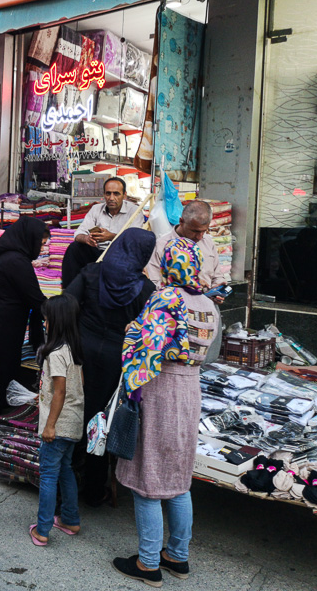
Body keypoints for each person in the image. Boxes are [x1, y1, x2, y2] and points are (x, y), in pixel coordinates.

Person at [113, 238, 220, 587]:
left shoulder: (166, 298)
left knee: (148, 478)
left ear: (170, 264)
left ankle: (148, 563)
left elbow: (146, 348)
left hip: (161, 389)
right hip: (190, 389)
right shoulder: (208, 303)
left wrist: (131, 332)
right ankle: (177, 556)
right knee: (178, 478)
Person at [64, 228, 157, 506]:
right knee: (101, 420)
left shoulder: (92, 273)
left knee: (72, 410)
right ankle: (94, 489)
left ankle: (63, 481)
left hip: (80, 353)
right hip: (115, 362)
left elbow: (66, 304)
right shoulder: (146, 289)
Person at [0, 217, 48, 466]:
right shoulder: (16, 262)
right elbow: (35, 298)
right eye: (41, 242)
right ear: (28, 239)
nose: (41, 248)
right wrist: (64, 311)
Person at [29, 294, 84, 546]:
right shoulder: (74, 349)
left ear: (57, 321)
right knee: (65, 470)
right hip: (73, 422)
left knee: (49, 475)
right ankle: (70, 519)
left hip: (58, 425)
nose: (45, 323)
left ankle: (42, 530)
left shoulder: (56, 352)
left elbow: (60, 391)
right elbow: (77, 386)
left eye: (47, 319)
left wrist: (50, 425)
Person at [62, 177, 141, 288]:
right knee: (74, 248)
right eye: (108, 193)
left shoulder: (134, 211)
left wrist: (111, 237)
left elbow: (135, 240)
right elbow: (79, 233)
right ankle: (69, 292)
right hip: (97, 252)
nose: (111, 198)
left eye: (116, 194)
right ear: (104, 194)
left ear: (124, 195)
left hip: (120, 256)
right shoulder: (96, 209)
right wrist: (87, 239)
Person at [146, 200, 226, 303]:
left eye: (204, 231)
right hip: (176, 307)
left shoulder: (208, 242)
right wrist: (187, 284)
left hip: (207, 306)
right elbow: (154, 284)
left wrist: (217, 290)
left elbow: (217, 275)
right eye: (195, 231)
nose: (199, 236)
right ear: (181, 221)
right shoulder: (161, 246)